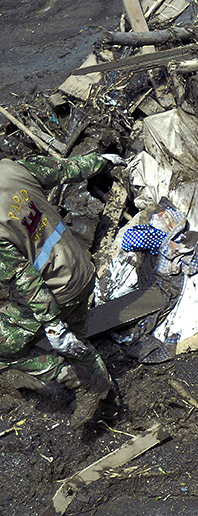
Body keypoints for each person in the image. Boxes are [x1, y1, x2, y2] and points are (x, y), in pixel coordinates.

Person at [0, 152, 117, 425]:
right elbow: (68, 169)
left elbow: (24, 277)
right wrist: (103, 160)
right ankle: (104, 397)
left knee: (4, 348)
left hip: (56, 290)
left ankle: (77, 380)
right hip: (82, 271)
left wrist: (53, 325)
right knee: (75, 342)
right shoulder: (11, 169)